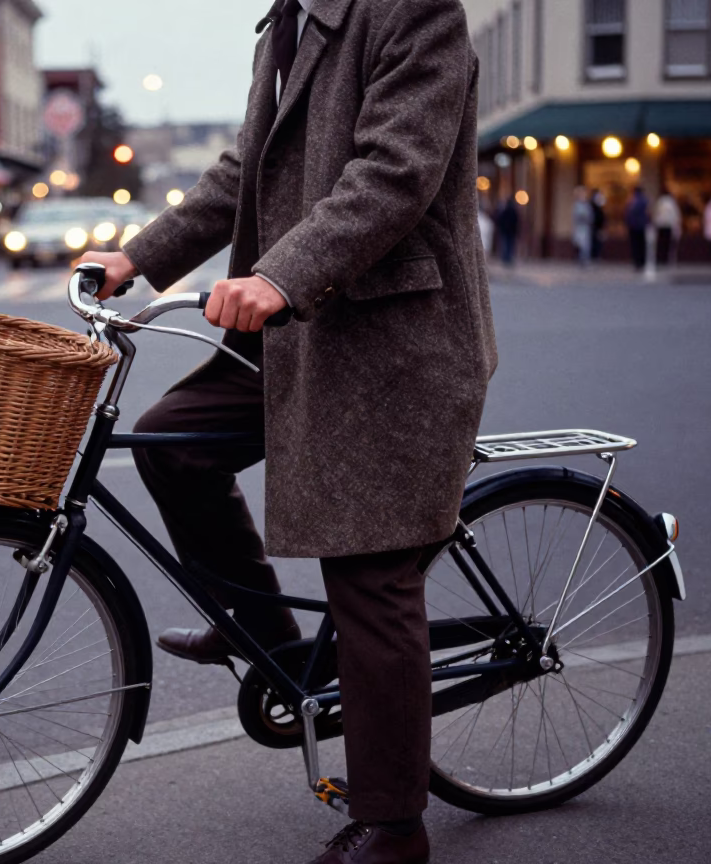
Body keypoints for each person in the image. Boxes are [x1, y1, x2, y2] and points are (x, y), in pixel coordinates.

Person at [80, 2, 496, 862]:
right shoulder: (286, 23)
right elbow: (245, 173)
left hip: (393, 339)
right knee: (175, 444)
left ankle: (393, 823)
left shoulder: (414, 11)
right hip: (305, 328)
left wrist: (278, 275)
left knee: (369, 569)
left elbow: (393, 173)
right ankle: (278, 649)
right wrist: (140, 255)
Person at [654, 188, 682, 267]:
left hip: (660, 225)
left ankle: (660, 259)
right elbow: (676, 215)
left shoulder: (660, 202)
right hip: (669, 225)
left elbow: (656, 213)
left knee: (661, 243)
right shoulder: (672, 202)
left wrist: (656, 222)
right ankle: (665, 259)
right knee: (667, 243)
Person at [625, 186, 650, 271]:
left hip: (633, 226)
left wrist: (628, 223)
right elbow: (647, 213)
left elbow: (628, 214)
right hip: (641, 226)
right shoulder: (644, 200)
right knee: (642, 245)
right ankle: (642, 262)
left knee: (635, 245)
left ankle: (637, 263)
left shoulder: (632, 200)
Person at [572, 186, 594, 267]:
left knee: (586, 246)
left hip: (586, 228)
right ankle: (580, 260)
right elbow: (576, 217)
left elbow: (591, 216)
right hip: (579, 228)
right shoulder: (577, 205)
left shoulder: (587, 205)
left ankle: (585, 260)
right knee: (580, 245)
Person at [495, 196, 519, 266]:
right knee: (510, 244)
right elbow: (516, 222)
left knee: (506, 244)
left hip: (506, 231)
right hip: (511, 231)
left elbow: (500, 220)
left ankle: (506, 257)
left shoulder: (505, 211)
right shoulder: (514, 212)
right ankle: (508, 257)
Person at [591, 189, 607, 260]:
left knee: (598, 242)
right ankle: (594, 256)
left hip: (598, 227)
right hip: (595, 227)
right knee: (595, 242)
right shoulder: (593, 206)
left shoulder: (599, 206)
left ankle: (596, 255)